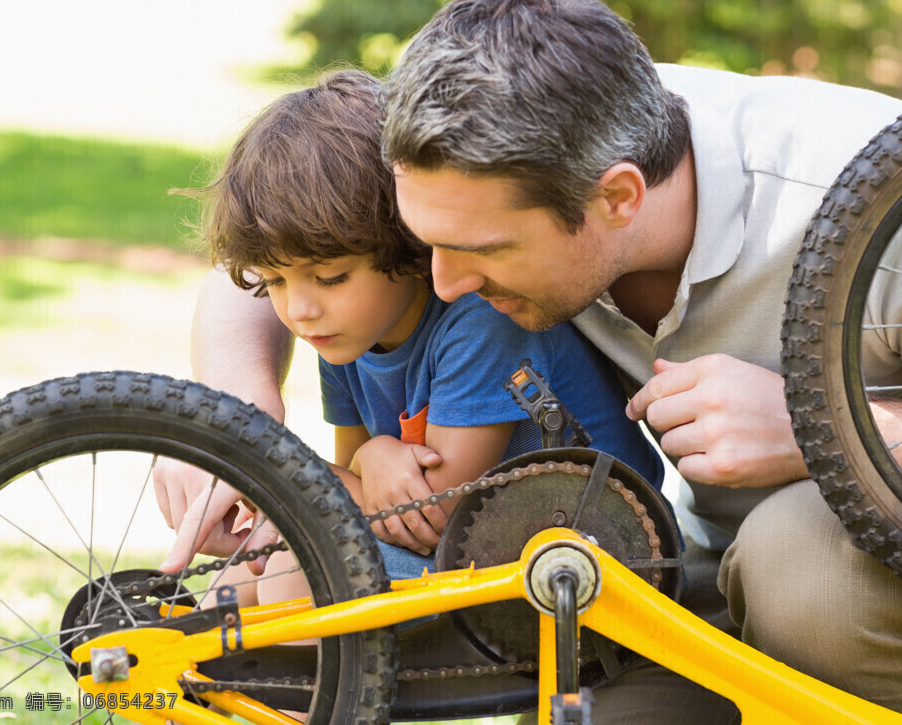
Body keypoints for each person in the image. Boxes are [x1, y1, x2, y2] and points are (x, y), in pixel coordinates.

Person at [189, 0, 902, 723]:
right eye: (423, 243)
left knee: (800, 565)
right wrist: (237, 420)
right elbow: (284, 231)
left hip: (893, 572)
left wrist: (818, 427)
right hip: (678, 574)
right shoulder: (476, 143)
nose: (445, 283)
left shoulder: (892, 206)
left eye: (484, 252)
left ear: (617, 199)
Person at [154, 68, 662, 592]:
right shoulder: (341, 335)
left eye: (330, 277)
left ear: (407, 241)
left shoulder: (481, 323)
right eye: (277, 282)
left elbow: (431, 516)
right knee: (243, 570)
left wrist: (290, 470)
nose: (299, 309)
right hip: (483, 544)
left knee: (292, 573)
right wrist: (354, 467)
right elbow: (357, 479)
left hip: (595, 553)